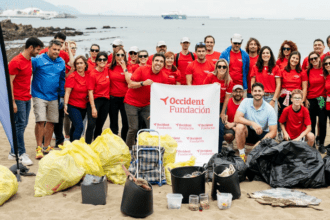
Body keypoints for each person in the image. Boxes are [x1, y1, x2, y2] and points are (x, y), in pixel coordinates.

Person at [8, 37, 44, 165]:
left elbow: (46, 52)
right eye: (37, 49)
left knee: (22, 125)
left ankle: (13, 151)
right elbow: (9, 82)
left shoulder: (29, 60)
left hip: (27, 97)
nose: (38, 52)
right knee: (20, 125)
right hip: (17, 98)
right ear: (30, 48)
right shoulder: (16, 61)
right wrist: (12, 102)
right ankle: (21, 153)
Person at [124, 53, 168, 149]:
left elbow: (160, 96)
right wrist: (142, 83)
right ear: (152, 62)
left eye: (161, 62)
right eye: (156, 60)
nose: (158, 63)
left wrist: (155, 112)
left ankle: (149, 149)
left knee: (152, 127)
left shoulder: (164, 76)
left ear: (163, 64)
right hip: (131, 102)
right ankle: (129, 150)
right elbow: (130, 85)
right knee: (134, 128)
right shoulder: (141, 69)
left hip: (146, 104)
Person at [31, 40, 65, 159]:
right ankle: (39, 147)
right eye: (54, 49)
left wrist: (61, 96)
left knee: (51, 122)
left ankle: (46, 146)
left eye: (58, 50)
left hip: (54, 96)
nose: (56, 52)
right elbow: (26, 70)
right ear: (48, 48)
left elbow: (62, 80)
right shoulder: (37, 60)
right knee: (40, 120)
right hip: (39, 95)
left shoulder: (61, 62)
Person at [234, 82, 277, 162]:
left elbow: (273, 132)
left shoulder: (270, 109)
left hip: (263, 134)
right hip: (249, 132)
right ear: (252, 92)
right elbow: (236, 118)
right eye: (255, 91)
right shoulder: (246, 101)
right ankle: (242, 155)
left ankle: (256, 152)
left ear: (263, 92)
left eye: (259, 91)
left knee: (258, 160)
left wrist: (260, 143)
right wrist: (252, 123)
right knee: (239, 127)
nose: (257, 93)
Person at [203, 59, 233, 152]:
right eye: (219, 66)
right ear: (216, 67)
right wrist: (212, 87)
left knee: (220, 129)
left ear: (227, 68)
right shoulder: (210, 76)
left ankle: (218, 151)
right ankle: (206, 149)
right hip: (210, 104)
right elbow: (203, 91)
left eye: (224, 66)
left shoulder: (229, 80)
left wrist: (222, 113)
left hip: (221, 105)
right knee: (207, 127)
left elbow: (227, 98)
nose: (221, 68)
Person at [278, 51, 308, 141]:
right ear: (289, 58)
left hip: (296, 98)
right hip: (284, 98)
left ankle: (298, 137)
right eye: (293, 58)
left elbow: (305, 88)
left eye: (297, 58)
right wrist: (277, 100)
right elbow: (279, 86)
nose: (294, 60)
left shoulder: (302, 72)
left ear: (299, 60)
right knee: (284, 118)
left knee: (295, 119)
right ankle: (285, 136)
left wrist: (302, 101)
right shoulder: (282, 70)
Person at [85, 52, 110, 144]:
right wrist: (93, 107)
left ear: (107, 61)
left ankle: (96, 145)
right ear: (96, 61)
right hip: (95, 100)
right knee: (91, 124)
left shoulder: (107, 69)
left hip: (106, 101)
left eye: (104, 59)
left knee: (100, 126)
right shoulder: (92, 74)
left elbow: (115, 58)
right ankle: (87, 145)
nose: (102, 61)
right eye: (100, 59)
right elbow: (90, 91)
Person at [305, 52, 326, 153]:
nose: (313, 60)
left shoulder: (325, 70)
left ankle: (321, 143)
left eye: (315, 58)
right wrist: (305, 99)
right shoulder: (308, 71)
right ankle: (312, 144)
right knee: (311, 123)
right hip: (311, 99)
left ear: (319, 58)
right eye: (311, 59)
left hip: (321, 99)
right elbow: (304, 87)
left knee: (322, 122)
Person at [63, 56, 89, 142]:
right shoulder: (72, 76)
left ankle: (71, 144)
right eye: (77, 63)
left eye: (81, 63)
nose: (79, 65)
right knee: (79, 127)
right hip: (73, 106)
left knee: (74, 126)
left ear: (85, 64)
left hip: (83, 106)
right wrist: (65, 105)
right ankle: (75, 147)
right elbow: (67, 92)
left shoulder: (88, 76)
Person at [108, 47, 130, 141]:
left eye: (122, 55)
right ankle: (115, 142)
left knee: (126, 122)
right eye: (118, 55)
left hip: (125, 99)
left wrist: (124, 67)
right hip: (113, 98)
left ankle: (124, 141)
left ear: (125, 56)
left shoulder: (128, 67)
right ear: (114, 56)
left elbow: (129, 80)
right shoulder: (109, 67)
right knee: (113, 122)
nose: (120, 57)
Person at [251, 46, 281, 111]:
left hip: (271, 97)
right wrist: (255, 94)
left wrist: (274, 99)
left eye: (267, 53)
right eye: (263, 53)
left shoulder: (276, 67)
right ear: (261, 55)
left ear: (270, 55)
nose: (265, 55)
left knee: (272, 120)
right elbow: (252, 83)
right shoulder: (255, 67)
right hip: (259, 96)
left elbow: (278, 85)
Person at [223, 85, 244, 149]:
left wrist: (235, 125)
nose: (238, 93)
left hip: (242, 126)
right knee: (228, 135)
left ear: (243, 93)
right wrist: (227, 124)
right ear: (232, 92)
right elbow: (224, 117)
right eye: (236, 91)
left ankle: (242, 145)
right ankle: (229, 143)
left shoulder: (245, 103)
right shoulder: (227, 102)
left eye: (240, 92)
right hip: (229, 125)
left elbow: (247, 119)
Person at [323, 56, 330, 150]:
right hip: (328, 103)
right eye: (326, 63)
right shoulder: (327, 76)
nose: (328, 65)